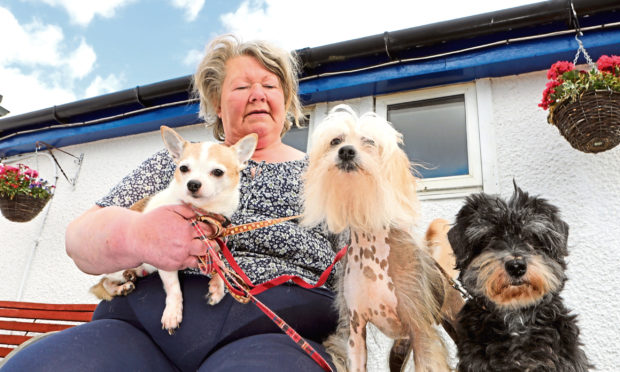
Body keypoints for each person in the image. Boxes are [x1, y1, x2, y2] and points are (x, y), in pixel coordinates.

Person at [1, 34, 341, 372]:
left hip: (275, 331)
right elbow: (78, 240)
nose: (257, 95)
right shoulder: (178, 162)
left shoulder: (325, 175)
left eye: (269, 85)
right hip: (139, 326)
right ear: (218, 105)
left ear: (287, 100)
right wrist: (138, 235)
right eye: (241, 87)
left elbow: (358, 264)